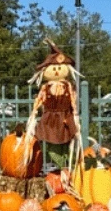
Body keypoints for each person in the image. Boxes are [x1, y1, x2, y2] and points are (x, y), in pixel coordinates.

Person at [24, 41, 82, 175]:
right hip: (50, 119)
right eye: (53, 68)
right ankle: (62, 167)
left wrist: (75, 116)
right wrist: (34, 114)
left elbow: (73, 103)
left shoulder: (68, 86)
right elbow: (38, 101)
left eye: (59, 68)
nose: (56, 71)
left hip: (65, 119)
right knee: (52, 147)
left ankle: (67, 167)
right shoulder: (46, 88)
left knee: (66, 145)